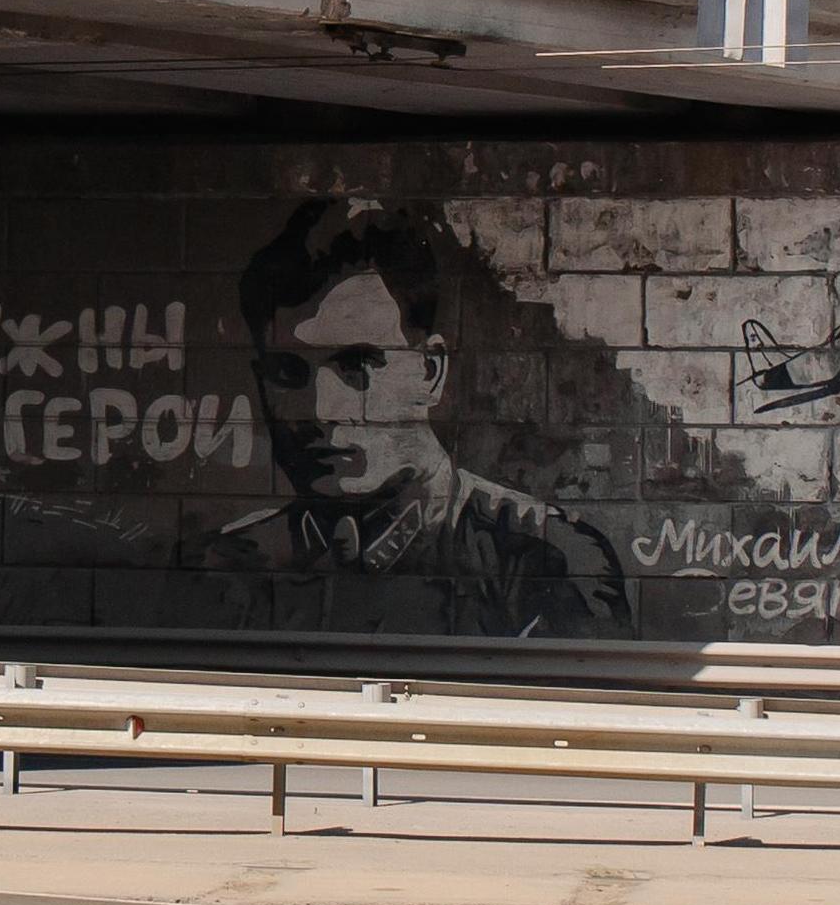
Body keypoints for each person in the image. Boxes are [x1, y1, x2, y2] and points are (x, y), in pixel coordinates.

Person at [202, 197, 631, 637]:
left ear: (431, 371)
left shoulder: (540, 557)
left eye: (358, 365)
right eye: (288, 373)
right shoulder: (229, 562)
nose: (322, 410)